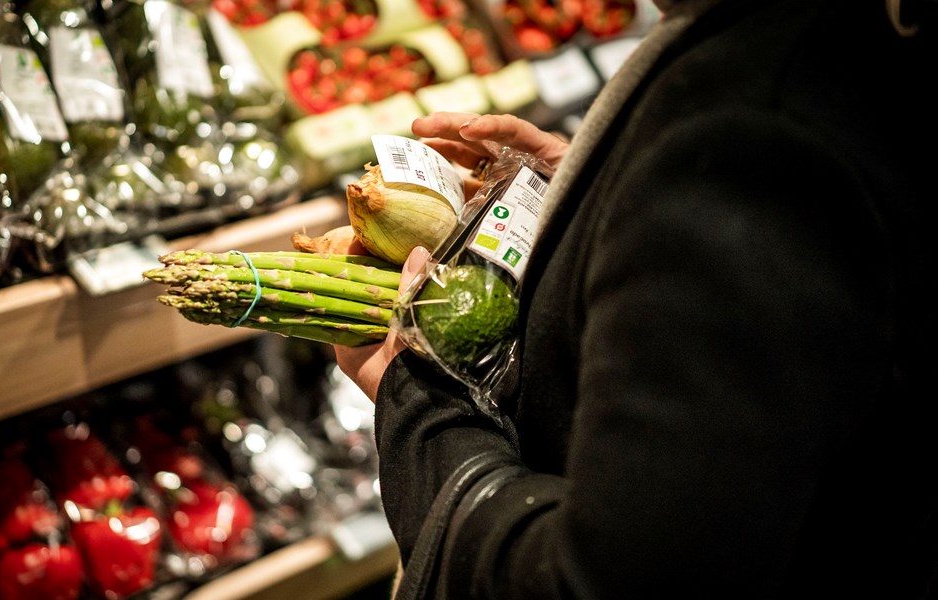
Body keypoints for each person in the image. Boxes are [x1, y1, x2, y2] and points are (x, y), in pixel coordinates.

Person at [334, 0, 938, 598]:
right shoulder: (820, 41)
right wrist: (596, 200)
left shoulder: (752, 144)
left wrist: (419, 399)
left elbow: (610, 580)